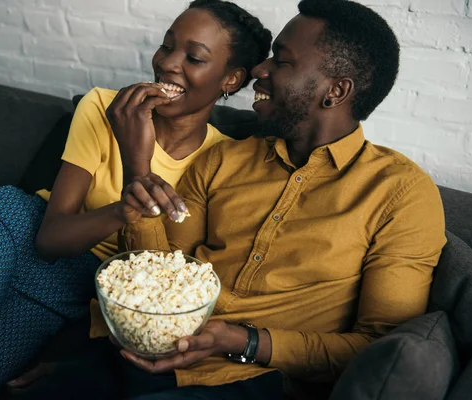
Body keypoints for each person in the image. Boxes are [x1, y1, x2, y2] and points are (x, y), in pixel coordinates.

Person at [50, 0, 444, 398]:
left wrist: (243, 341)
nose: (258, 70)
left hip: (249, 381)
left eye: (282, 62)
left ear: (335, 91)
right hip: (147, 350)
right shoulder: (224, 160)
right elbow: (158, 271)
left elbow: (380, 345)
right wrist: (139, 173)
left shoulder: (399, 193)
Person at [0, 1, 271, 399]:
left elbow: (159, 279)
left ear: (230, 79)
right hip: (13, 232)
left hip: (69, 290)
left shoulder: (224, 161)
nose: (168, 64)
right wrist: (128, 193)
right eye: (166, 46)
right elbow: (49, 239)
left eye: (193, 57)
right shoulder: (105, 107)